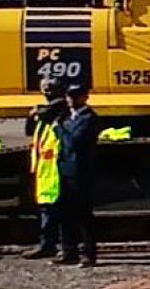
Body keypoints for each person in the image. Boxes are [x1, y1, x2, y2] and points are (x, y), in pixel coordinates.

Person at [53, 80, 102, 266]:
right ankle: (69, 251)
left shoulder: (89, 118)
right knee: (65, 213)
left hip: (81, 172)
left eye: (75, 96)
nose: (70, 100)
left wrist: (60, 129)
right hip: (65, 170)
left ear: (84, 97)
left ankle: (89, 254)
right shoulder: (67, 117)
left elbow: (76, 139)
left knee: (84, 215)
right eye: (68, 96)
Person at [20, 76, 67, 258]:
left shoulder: (59, 111)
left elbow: (54, 110)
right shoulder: (44, 114)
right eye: (45, 89)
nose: (47, 92)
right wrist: (33, 116)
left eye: (50, 89)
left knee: (59, 212)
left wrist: (39, 112)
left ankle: (59, 246)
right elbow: (30, 131)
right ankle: (48, 244)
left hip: (57, 170)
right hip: (44, 171)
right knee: (48, 210)